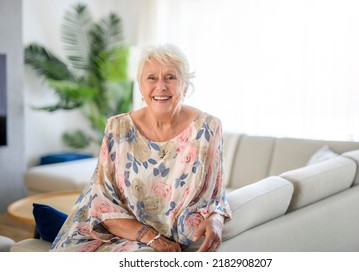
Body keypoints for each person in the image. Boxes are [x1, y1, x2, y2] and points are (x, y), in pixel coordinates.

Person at [50, 44, 232, 252]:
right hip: (117, 230)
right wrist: (151, 237)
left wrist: (216, 218)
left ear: (185, 85)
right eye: (151, 78)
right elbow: (101, 200)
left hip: (169, 236)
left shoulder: (208, 128)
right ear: (141, 87)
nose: (161, 86)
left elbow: (215, 194)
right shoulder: (117, 127)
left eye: (171, 77)